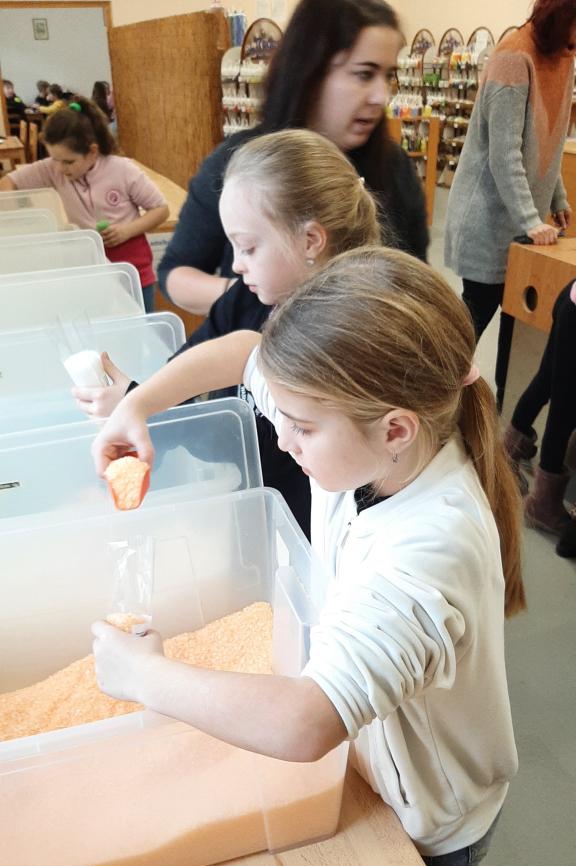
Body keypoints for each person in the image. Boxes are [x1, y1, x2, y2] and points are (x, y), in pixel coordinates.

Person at [91, 246, 525, 866]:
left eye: (301, 428)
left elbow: (305, 721)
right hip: (375, 762)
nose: (284, 439)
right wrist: (138, 405)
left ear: (395, 429)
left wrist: (142, 674)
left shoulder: (429, 550)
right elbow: (245, 353)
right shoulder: (367, 435)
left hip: (430, 818)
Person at [71, 129, 382, 538]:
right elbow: (192, 365)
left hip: (306, 530)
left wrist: (141, 404)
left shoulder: (339, 340)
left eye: (248, 247)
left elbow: (252, 446)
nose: (235, 265)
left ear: (310, 240)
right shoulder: (248, 298)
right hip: (255, 512)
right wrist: (138, 404)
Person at [158, 0, 428, 317]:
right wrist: (257, 295)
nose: (381, 96)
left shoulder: (394, 167)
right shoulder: (239, 163)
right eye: (364, 74)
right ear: (310, 71)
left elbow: (416, 282)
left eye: (388, 75)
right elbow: (176, 273)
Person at [444, 0, 576, 410]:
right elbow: (505, 155)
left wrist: (557, 197)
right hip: (487, 222)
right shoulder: (513, 58)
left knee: (518, 322)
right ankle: (432, 399)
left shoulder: (563, 56)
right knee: (471, 322)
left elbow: (546, 142)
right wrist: (531, 219)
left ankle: (505, 408)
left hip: (523, 225)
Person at [0, 97, 169, 313]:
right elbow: (8, 183)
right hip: (91, 266)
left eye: (68, 162)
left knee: (141, 320)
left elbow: (161, 209)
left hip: (132, 267)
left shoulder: (123, 170)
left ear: (92, 152)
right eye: (55, 160)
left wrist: (126, 231)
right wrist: (19, 219)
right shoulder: (54, 168)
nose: (60, 168)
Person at [504, 279, 576, 555]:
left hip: (570, 297)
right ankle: (543, 504)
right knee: (565, 407)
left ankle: (505, 457)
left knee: (547, 381)